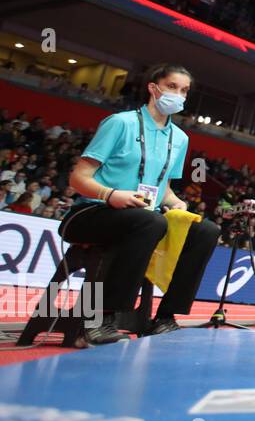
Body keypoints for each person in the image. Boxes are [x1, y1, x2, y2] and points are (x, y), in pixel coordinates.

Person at [61, 63, 222, 344]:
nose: (179, 95)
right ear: (153, 87)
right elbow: (78, 177)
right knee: (151, 221)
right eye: (172, 87)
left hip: (142, 219)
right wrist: (111, 195)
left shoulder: (180, 138)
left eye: (184, 91)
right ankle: (101, 319)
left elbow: (165, 189)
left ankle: (165, 318)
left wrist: (177, 203)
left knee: (205, 230)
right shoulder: (121, 123)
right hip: (92, 212)